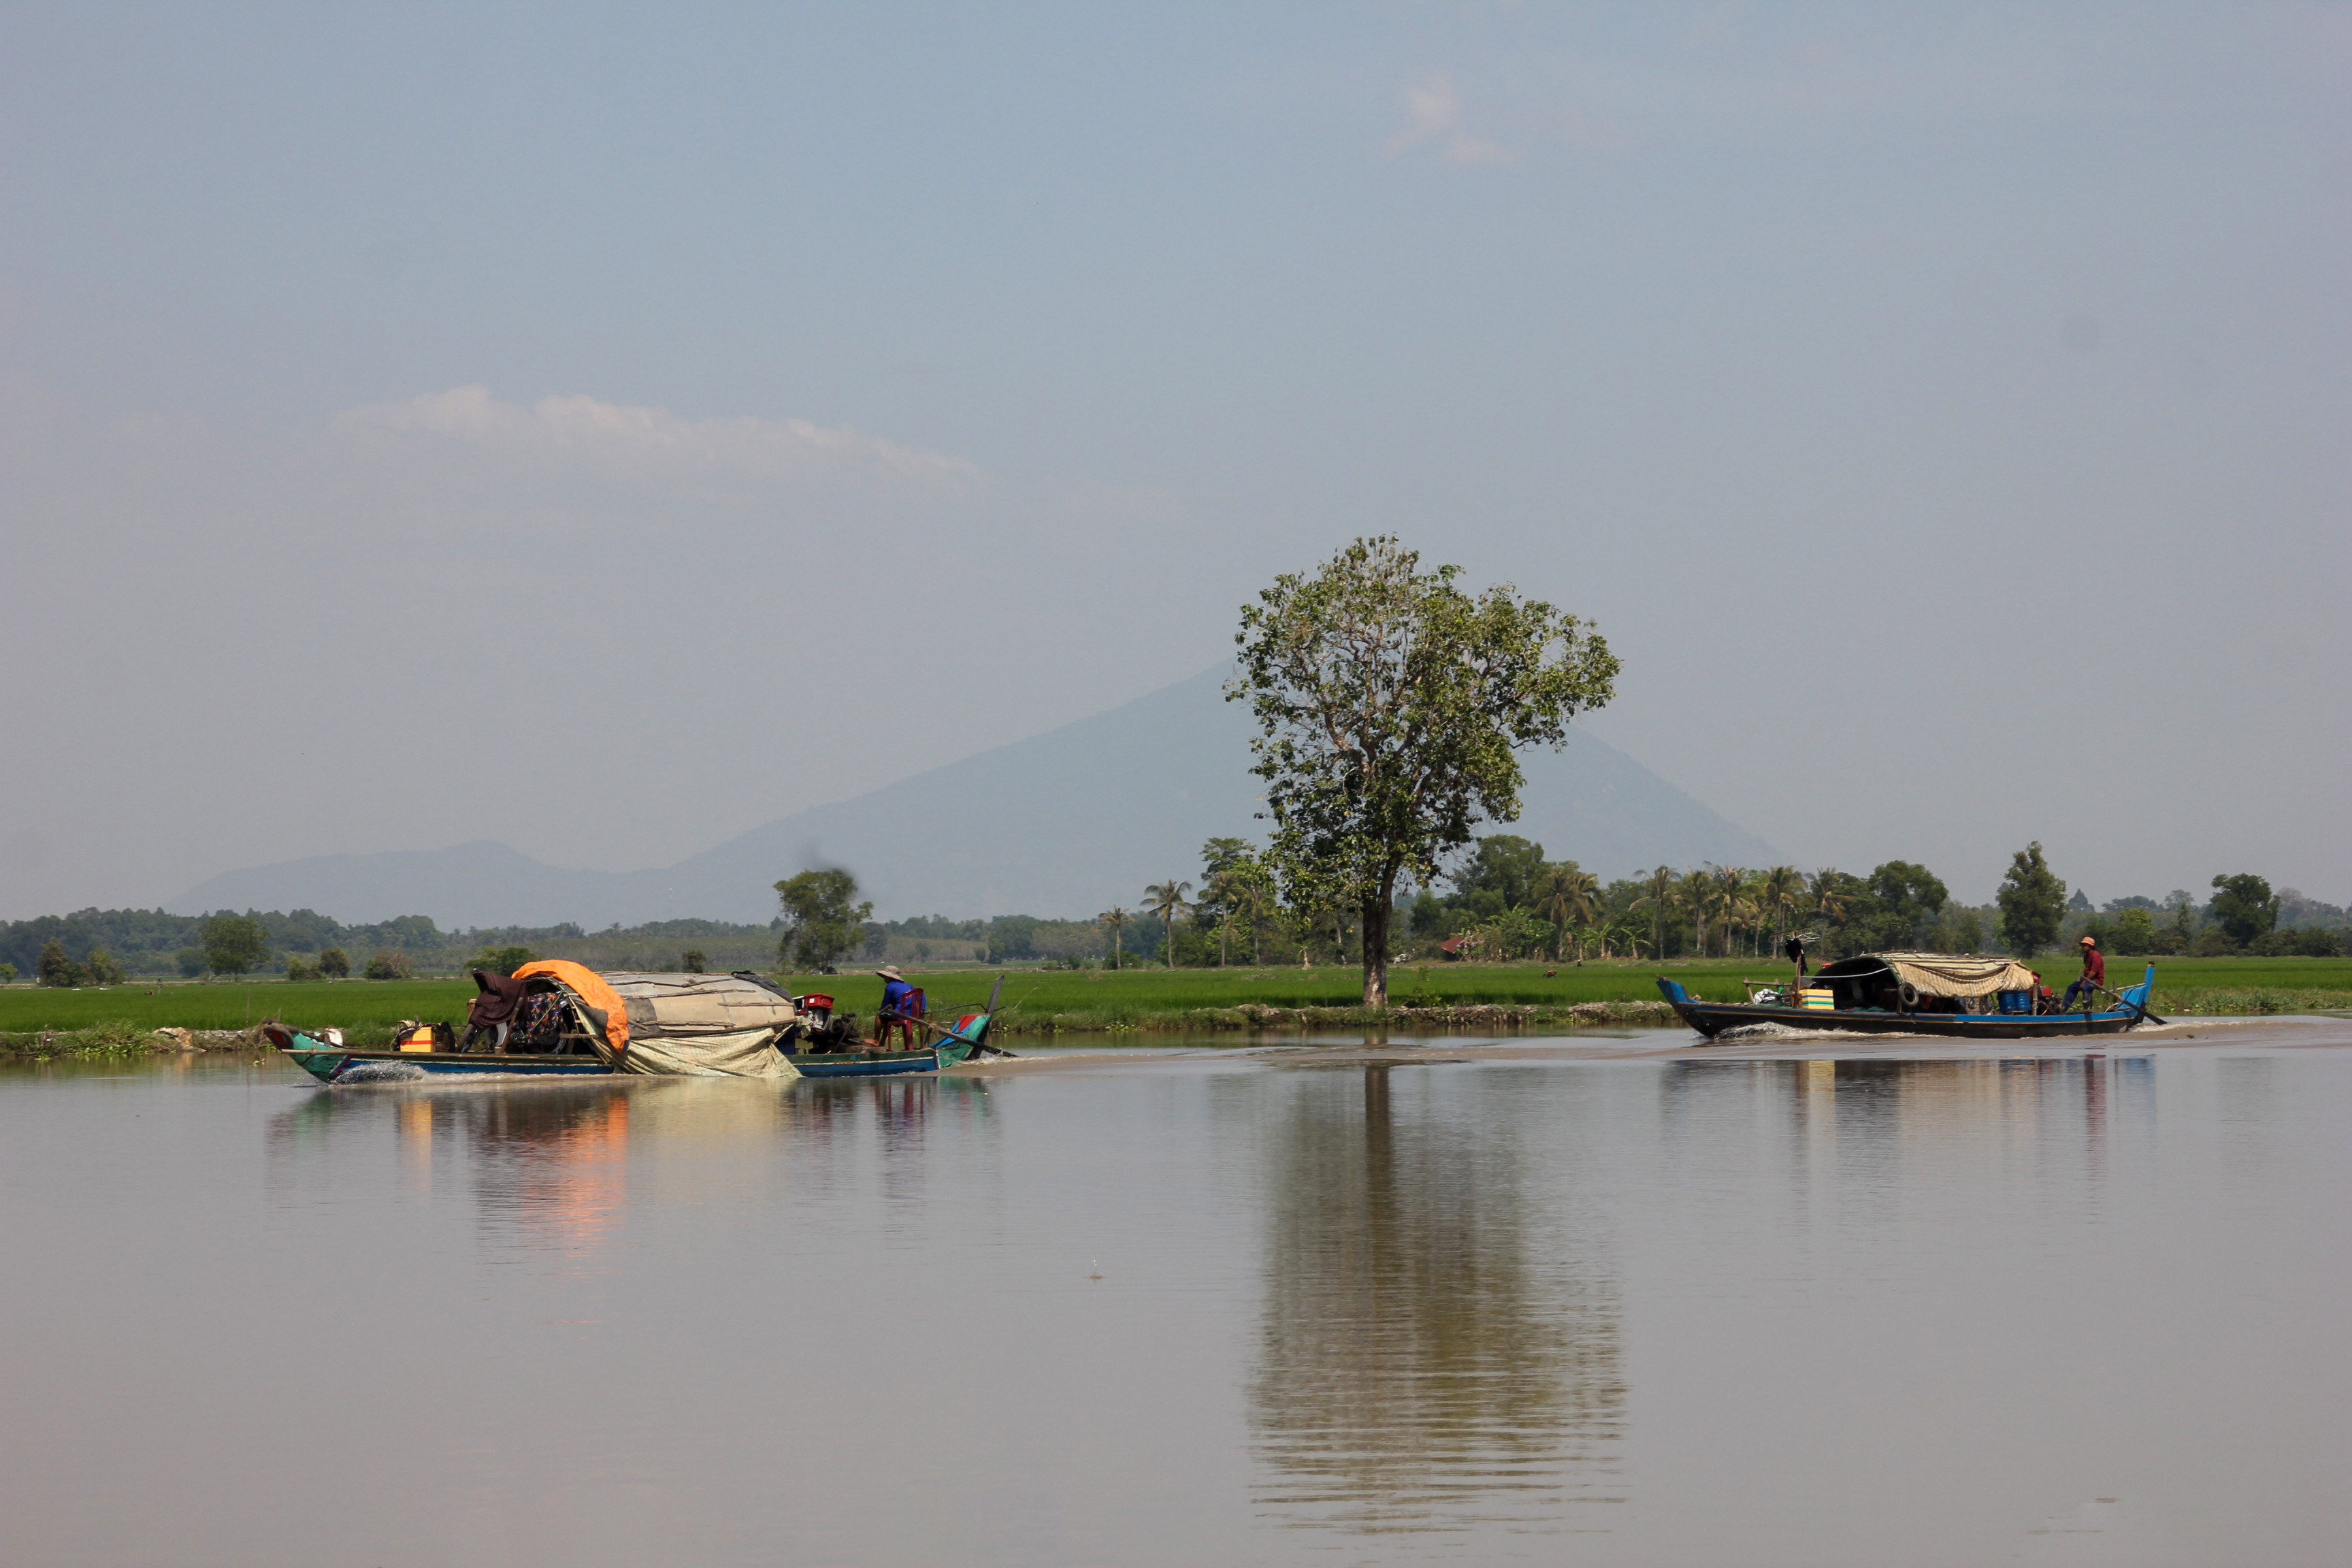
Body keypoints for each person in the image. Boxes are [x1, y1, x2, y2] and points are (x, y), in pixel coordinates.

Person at [874, 964, 923, 1050]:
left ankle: (876, 1040)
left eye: (885, 977)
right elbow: (923, 995)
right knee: (886, 1018)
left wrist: (880, 1011)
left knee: (880, 1015)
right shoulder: (909, 986)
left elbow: (885, 1004)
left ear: (890, 977)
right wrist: (922, 1009)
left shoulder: (890, 986)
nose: (884, 979)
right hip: (913, 1015)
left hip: (900, 1015)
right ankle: (884, 1044)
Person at [2063, 936, 2107, 1010]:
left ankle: (2085, 1009)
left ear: (2090, 946)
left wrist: (2085, 982)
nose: (2083, 947)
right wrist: (2084, 981)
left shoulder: (2095, 956)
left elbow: (2093, 972)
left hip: (2096, 980)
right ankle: (2064, 1008)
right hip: (2087, 979)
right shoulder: (2086, 956)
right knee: (2071, 988)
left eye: (2085, 945)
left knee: (2087, 987)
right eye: (2083, 945)